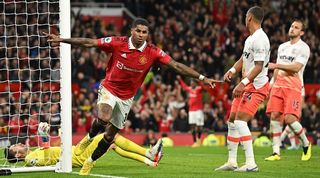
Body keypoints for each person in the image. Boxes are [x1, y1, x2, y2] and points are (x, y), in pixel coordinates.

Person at [44, 18, 217, 175]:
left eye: (145, 32)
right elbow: (90, 43)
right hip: (109, 88)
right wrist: (62, 40)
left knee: (110, 136)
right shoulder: (117, 42)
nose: (141, 35)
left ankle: (89, 162)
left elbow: (176, 65)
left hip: (127, 98)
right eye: (138, 31)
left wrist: (202, 78)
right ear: (131, 31)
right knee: (103, 117)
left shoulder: (153, 52)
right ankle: (87, 139)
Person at [215, 6, 270, 172]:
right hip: (247, 85)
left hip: (256, 87)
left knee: (240, 121)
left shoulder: (261, 39)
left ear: (250, 18)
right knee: (232, 121)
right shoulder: (250, 39)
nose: (245, 19)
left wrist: (242, 83)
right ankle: (232, 161)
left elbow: (259, 66)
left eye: (246, 16)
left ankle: (251, 164)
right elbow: (243, 59)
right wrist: (232, 70)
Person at [4, 122, 163, 168]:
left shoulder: (33, 153)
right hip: (78, 156)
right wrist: (43, 134)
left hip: (76, 151)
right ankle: (148, 153)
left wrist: (59, 138)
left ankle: (149, 160)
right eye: (14, 147)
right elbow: (47, 154)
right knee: (111, 136)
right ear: (17, 155)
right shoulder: (29, 159)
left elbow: (52, 154)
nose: (17, 143)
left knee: (112, 144)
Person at [264, 19, 311, 161]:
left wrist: (276, 65)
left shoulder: (304, 48)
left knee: (290, 119)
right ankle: (276, 152)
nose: (292, 29)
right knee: (274, 117)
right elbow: (277, 68)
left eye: (296, 28)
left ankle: (306, 143)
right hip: (278, 85)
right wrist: (271, 84)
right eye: (291, 26)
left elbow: (296, 68)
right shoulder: (282, 47)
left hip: (293, 86)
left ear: (301, 32)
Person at [177, 75, 204, 147]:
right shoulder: (189, 89)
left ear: (195, 83)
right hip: (191, 111)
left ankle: (198, 139)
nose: (191, 84)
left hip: (198, 110)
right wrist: (180, 80)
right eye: (191, 83)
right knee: (192, 126)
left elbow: (204, 87)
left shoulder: (199, 89)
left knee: (199, 126)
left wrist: (199, 81)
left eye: (193, 83)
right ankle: (195, 142)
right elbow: (184, 86)